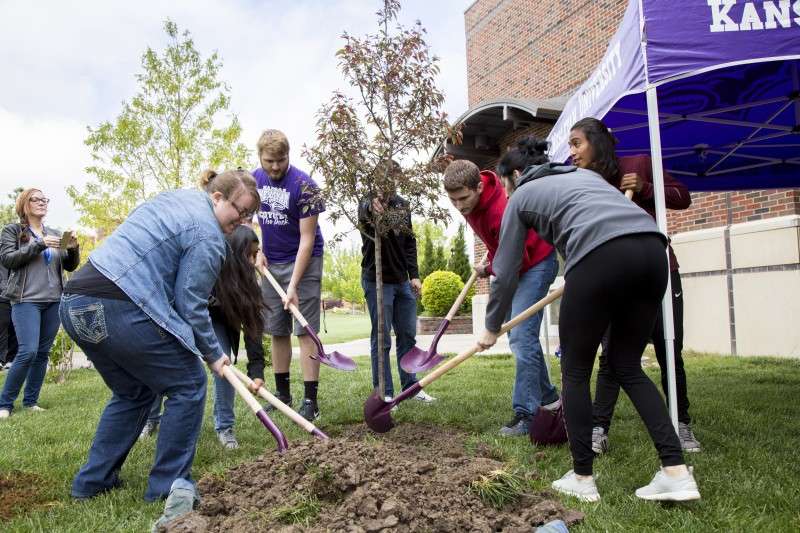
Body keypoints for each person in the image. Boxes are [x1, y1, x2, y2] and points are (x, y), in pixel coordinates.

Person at [478, 136, 700, 502]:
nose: (504, 191)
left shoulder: (521, 196)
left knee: (576, 371)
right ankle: (675, 473)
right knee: (627, 365)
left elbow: (505, 268)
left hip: (601, 257)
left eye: (504, 183)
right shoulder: (588, 178)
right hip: (653, 252)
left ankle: (582, 479)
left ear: (516, 175)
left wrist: (491, 327)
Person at [59, 169, 258, 507]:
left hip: (75, 302)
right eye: (239, 211)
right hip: (116, 304)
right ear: (217, 198)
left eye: (249, 216)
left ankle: (91, 483)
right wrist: (213, 354)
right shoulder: (208, 235)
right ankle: (167, 487)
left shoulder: (175, 197)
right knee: (188, 384)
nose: (242, 221)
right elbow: (191, 304)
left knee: (133, 391)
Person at [568, 117, 700, 454]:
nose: (571, 153)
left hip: (658, 270)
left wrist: (646, 188)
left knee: (669, 349)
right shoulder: (584, 182)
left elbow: (682, 197)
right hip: (615, 278)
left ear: (597, 143)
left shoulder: (638, 163)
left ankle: (680, 424)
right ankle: (599, 428)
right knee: (612, 356)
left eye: (576, 143)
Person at [443, 159, 559, 436]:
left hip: (537, 263)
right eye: (453, 200)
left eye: (463, 199)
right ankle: (551, 399)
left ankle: (527, 413)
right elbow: (502, 246)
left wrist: (491, 326)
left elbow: (513, 265)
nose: (459, 206)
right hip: (516, 262)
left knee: (520, 336)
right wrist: (492, 263)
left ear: (479, 187)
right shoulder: (471, 201)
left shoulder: (501, 209)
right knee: (524, 337)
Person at [139, 225, 266, 451]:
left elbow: (253, 326)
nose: (254, 260)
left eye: (256, 254)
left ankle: (225, 427)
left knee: (224, 365)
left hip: (216, 322)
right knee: (164, 365)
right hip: (181, 317)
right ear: (235, 251)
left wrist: (256, 371)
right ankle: (150, 419)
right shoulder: (211, 264)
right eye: (250, 254)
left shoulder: (249, 282)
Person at [253, 129, 325, 422]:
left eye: (280, 160)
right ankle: (283, 394)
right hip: (270, 264)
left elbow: (307, 239)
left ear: (288, 156)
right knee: (277, 329)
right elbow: (246, 220)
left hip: (304, 263)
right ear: (260, 157)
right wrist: (255, 249)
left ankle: (310, 400)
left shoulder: (306, 186)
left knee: (304, 330)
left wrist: (293, 284)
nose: (274, 167)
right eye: (269, 160)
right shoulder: (253, 180)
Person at [358, 163, 436, 404]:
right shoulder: (367, 202)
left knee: (407, 336)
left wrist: (414, 274)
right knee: (381, 338)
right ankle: (385, 391)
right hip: (377, 280)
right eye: (384, 179)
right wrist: (372, 208)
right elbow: (365, 213)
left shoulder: (402, 205)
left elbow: (410, 242)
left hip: (402, 280)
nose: (388, 184)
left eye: (393, 179)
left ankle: (410, 388)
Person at [0, 189, 79, 419]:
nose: (43, 202)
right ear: (25, 204)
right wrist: (39, 245)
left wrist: (73, 249)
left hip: (53, 300)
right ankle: (5, 403)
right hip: (26, 300)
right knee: (28, 351)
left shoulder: (54, 233)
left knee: (42, 353)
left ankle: (30, 401)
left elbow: (69, 266)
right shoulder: (12, 231)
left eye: (46, 199)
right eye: (37, 199)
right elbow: (8, 259)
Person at [0, 260, 19, 370]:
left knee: (15, 327)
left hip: (17, 294)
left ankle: (11, 359)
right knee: (2, 326)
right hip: (3, 294)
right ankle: (1, 358)